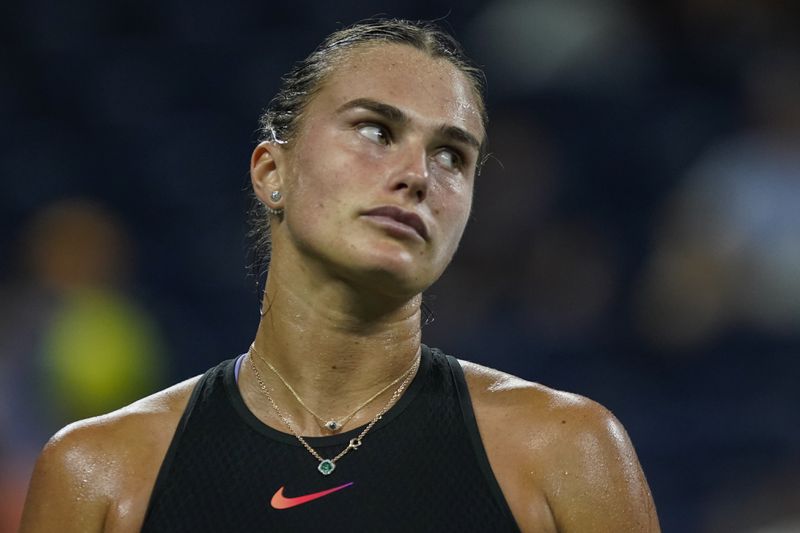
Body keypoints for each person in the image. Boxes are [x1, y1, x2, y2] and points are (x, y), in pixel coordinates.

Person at [19, 19, 660, 532]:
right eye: (376, 129)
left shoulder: (570, 454)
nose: (417, 175)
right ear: (273, 172)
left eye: (451, 156)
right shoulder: (98, 473)